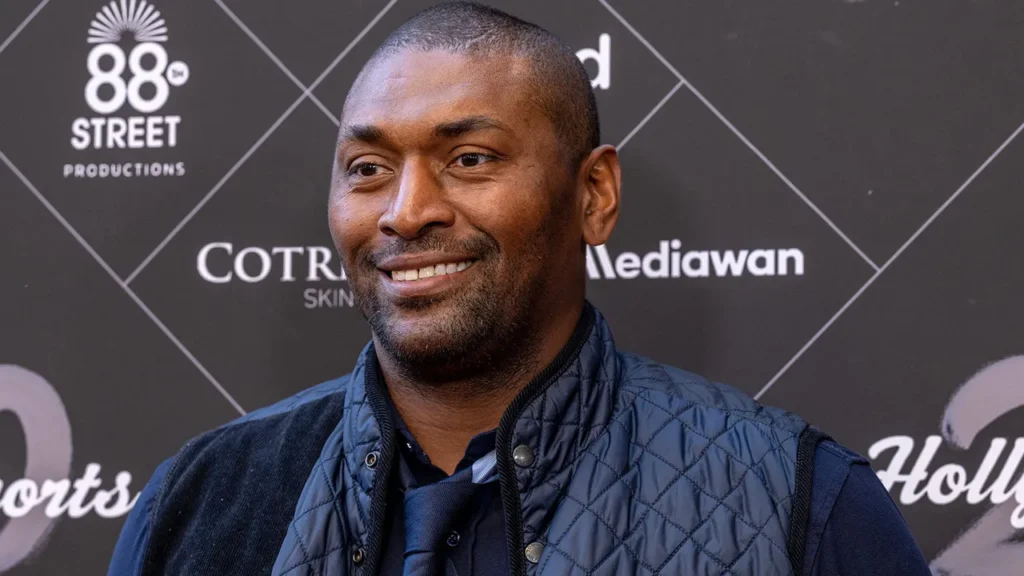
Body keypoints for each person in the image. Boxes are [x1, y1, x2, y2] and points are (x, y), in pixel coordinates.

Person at [108, 2, 932, 575]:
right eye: (368, 169)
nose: (407, 212)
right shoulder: (197, 504)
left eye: (470, 159)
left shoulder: (797, 501)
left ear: (594, 196)